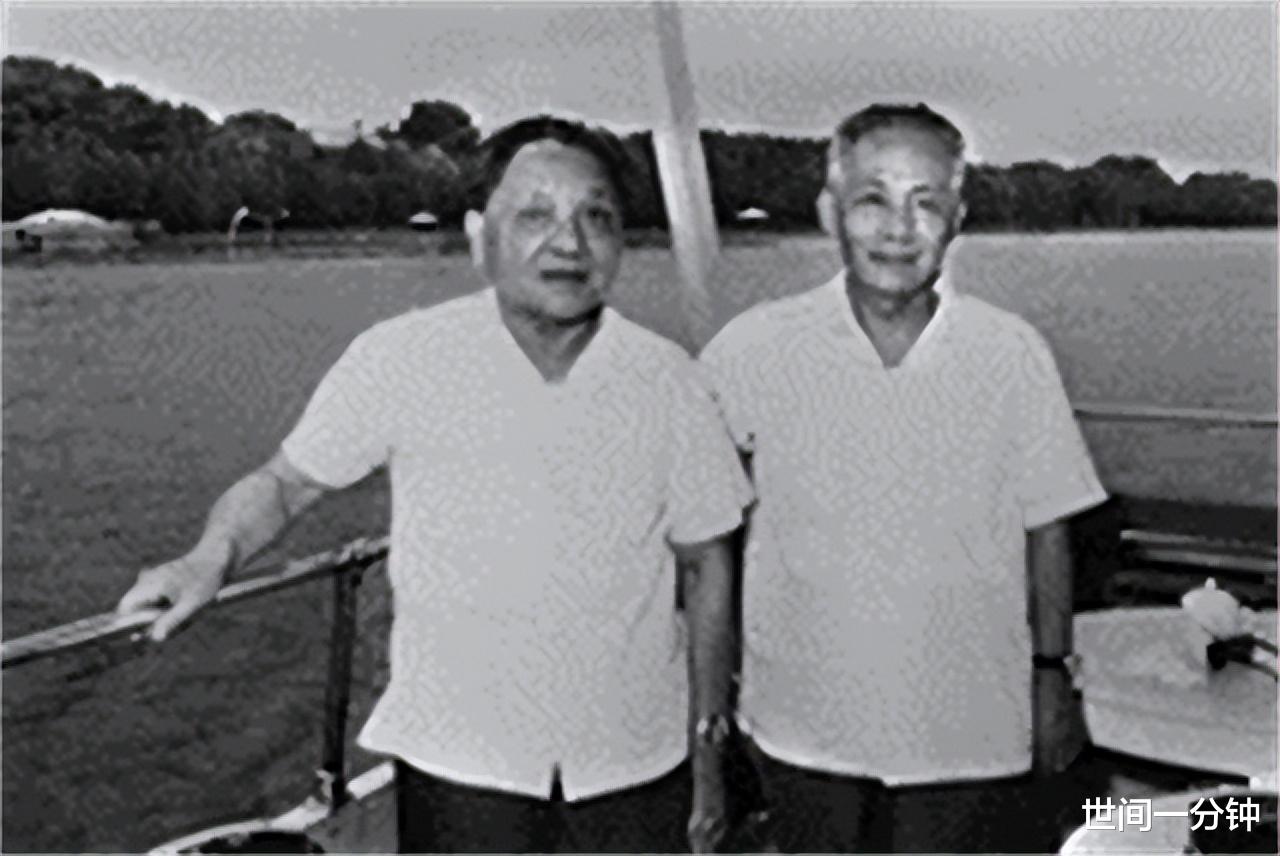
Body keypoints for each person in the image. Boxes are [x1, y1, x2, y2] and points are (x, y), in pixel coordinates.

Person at [118, 116, 751, 854]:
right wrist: (210, 558)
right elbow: (286, 485)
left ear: (621, 242)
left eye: (596, 216)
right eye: (536, 215)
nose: (570, 242)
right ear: (480, 235)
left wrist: (709, 752)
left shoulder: (669, 380)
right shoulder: (402, 359)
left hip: (636, 765)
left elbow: (708, 564)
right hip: (460, 765)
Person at [700, 102, 1111, 852]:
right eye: (873, 199)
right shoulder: (750, 349)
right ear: (829, 211)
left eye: (926, 202)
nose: (899, 228)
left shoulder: (1011, 352)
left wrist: (1054, 675)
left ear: (958, 218)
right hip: (801, 728)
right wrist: (709, 697)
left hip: (970, 734)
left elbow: (1048, 529)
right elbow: (702, 534)